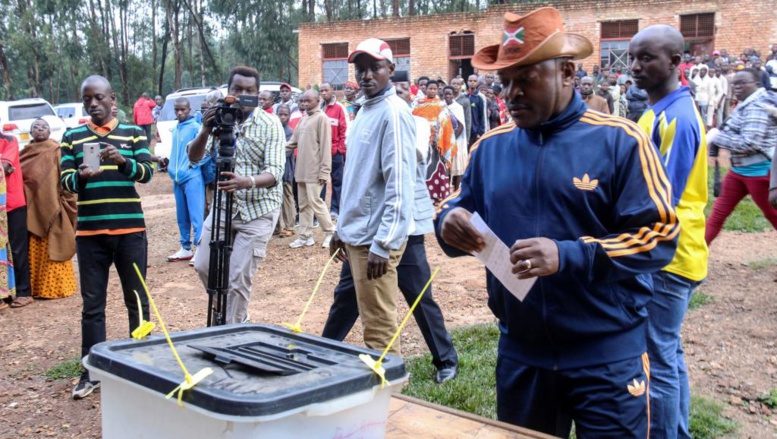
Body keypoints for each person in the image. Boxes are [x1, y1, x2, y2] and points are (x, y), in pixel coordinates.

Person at [436, 8, 679, 437]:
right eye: (505, 82)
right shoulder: (489, 148)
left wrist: (570, 254)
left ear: (567, 72)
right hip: (521, 353)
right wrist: (448, 220)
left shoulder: (621, 141)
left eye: (526, 78)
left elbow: (659, 237)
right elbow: (458, 208)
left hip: (606, 354)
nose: (511, 93)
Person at [322, 79, 460, 384]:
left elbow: (406, 170)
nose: (393, 98)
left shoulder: (410, 123)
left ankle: (446, 359)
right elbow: (357, 179)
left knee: (419, 296)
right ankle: (322, 353)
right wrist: (342, 226)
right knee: (346, 297)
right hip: (365, 231)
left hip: (402, 229)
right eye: (392, 93)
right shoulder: (366, 118)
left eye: (400, 93)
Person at [630, 25, 709, 439]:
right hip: (671, 252)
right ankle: (677, 432)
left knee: (657, 359)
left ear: (676, 62)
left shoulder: (676, 119)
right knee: (668, 352)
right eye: (632, 57)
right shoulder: (653, 112)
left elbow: (660, 200)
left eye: (647, 58)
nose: (635, 66)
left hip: (668, 256)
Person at [61, 75, 154, 399]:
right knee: (92, 306)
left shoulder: (132, 133)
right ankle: (92, 372)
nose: (94, 104)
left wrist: (123, 161)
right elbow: (66, 182)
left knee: (137, 301)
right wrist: (82, 176)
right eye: (88, 99)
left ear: (113, 99)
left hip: (130, 232)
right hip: (91, 234)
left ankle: (143, 367)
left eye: (99, 98)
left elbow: (147, 173)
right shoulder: (72, 137)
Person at [329, 38, 416, 356]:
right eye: (360, 69)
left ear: (390, 70)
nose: (366, 75)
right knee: (352, 311)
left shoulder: (393, 113)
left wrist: (384, 242)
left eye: (374, 68)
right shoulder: (366, 110)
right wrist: (341, 230)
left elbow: (400, 182)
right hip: (356, 234)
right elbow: (357, 178)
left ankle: (391, 401)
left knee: (379, 333)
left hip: (373, 240)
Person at [189, 66, 285, 325]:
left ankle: (232, 332)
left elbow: (276, 172)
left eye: (249, 91)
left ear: (257, 94)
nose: (243, 95)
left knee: (238, 278)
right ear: (228, 91)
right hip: (224, 208)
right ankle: (233, 315)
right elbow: (194, 157)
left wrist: (247, 182)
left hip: (258, 210)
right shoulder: (218, 119)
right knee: (203, 265)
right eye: (237, 89)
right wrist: (205, 130)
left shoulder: (270, 123)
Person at [706, 68, 777, 244]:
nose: (737, 87)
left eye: (742, 83)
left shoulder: (757, 106)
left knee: (774, 215)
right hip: (739, 171)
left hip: (760, 173)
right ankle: (692, 261)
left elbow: (750, 143)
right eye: (734, 84)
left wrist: (717, 136)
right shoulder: (746, 103)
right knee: (718, 214)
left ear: (757, 84)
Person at [19, 118, 77, 300]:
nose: (40, 130)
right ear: (30, 132)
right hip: (31, 208)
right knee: (34, 248)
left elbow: (64, 176)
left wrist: (66, 201)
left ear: (50, 131)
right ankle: (35, 288)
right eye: (36, 127)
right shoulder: (24, 153)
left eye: (44, 127)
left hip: (53, 206)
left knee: (54, 246)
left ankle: (55, 288)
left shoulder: (55, 150)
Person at [287, 90, 335, 249]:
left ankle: (330, 233)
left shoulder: (322, 118)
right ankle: (305, 236)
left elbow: (326, 147)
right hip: (301, 170)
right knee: (303, 205)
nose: (305, 104)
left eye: (308, 101)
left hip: (315, 170)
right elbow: (292, 143)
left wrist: (324, 171)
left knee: (316, 202)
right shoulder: (303, 119)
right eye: (302, 101)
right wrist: (273, 150)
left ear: (317, 100)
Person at [166, 97, 204, 263]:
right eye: (177, 110)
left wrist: (192, 167)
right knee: (182, 216)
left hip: (191, 178)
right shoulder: (175, 128)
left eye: (183, 110)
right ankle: (185, 247)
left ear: (189, 109)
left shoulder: (196, 128)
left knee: (196, 215)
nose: (180, 113)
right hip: (177, 179)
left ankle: (201, 250)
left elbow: (206, 152)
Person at [0, 120, 32, 309]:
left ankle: (24, 292)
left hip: (12, 203)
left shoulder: (9, 141)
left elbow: (5, 166)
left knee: (17, 247)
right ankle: (6, 293)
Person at [413, 79, 456, 204]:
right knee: (422, 169)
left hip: (437, 144)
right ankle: (422, 196)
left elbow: (447, 123)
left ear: (438, 90)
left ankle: (437, 195)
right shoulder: (418, 105)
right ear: (425, 89)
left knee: (436, 169)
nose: (432, 91)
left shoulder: (442, 105)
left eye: (434, 89)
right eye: (430, 88)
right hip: (422, 142)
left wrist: (438, 137)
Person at [319, 82, 348, 222]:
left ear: (332, 90)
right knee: (321, 181)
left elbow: (344, 130)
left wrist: (340, 149)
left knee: (337, 182)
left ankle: (335, 210)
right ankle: (321, 211)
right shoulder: (319, 108)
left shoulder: (339, 108)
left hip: (335, 152)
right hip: (320, 153)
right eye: (321, 91)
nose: (324, 93)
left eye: (326, 90)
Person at [274, 104, 296, 238]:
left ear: (289, 116)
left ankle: (290, 226)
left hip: (286, 171)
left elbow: (287, 152)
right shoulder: (274, 129)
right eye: (280, 114)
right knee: (274, 199)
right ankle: (276, 227)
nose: (282, 117)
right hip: (274, 171)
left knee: (287, 198)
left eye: (285, 115)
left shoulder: (289, 132)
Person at [443, 85, 468, 192]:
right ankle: (446, 189)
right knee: (446, 167)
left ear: (453, 95)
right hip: (444, 140)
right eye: (446, 94)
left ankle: (457, 191)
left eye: (450, 94)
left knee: (457, 165)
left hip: (457, 140)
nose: (448, 96)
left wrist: (452, 139)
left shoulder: (458, 107)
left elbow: (461, 126)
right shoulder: (441, 106)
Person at [466, 74, 485, 147]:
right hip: (465, 131)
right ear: (467, 82)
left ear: (477, 83)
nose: (472, 82)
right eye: (470, 81)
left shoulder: (480, 97)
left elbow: (482, 116)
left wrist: (480, 132)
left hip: (475, 131)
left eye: (474, 81)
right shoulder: (464, 96)